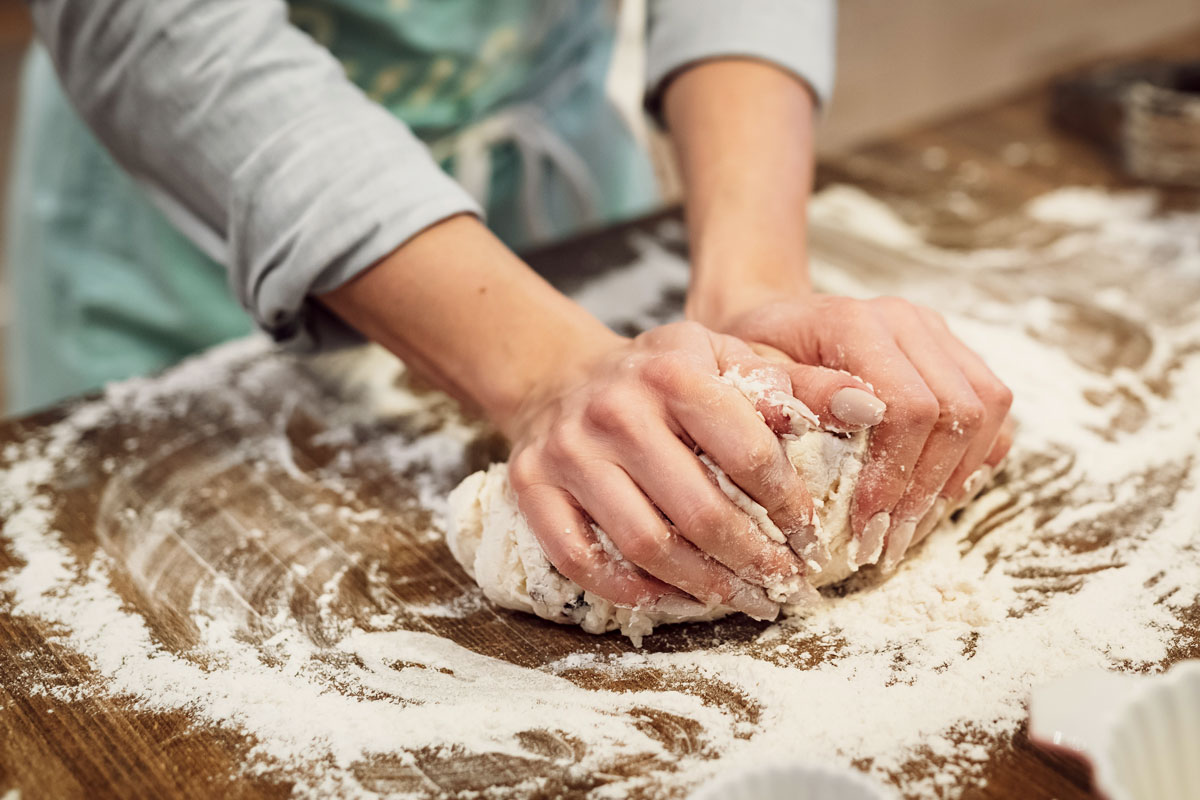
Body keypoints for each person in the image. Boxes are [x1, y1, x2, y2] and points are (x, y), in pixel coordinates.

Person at [8, 1, 1012, 617]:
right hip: (200, 220)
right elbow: (156, 24)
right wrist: (547, 370)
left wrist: (753, 286)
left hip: (551, 186)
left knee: (654, 443)